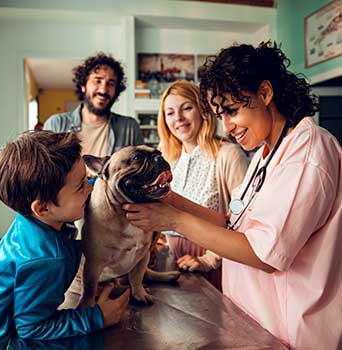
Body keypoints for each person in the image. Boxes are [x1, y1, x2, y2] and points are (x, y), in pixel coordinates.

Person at [122, 41, 342, 349]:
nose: (227, 126)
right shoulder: (265, 154)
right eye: (220, 114)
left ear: (265, 93)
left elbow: (263, 254)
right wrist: (169, 199)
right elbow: (231, 222)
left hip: (292, 332)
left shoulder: (307, 153)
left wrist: (173, 218)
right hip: (256, 323)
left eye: (232, 111)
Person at [0, 131, 130, 349]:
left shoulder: (32, 219)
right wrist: (98, 317)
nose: (91, 187)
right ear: (43, 208)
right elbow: (31, 328)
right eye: (81, 186)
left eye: (87, 179)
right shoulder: (46, 260)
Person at [157, 80, 248, 291]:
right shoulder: (167, 158)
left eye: (186, 108)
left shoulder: (228, 154)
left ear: (202, 110)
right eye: (169, 113)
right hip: (173, 262)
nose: (178, 118)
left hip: (215, 263)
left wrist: (209, 260)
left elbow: (242, 215)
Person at [44, 53, 144, 157]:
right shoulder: (56, 125)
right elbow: (45, 170)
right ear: (83, 85)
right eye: (98, 81)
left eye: (110, 83)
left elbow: (143, 170)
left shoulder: (129, 128)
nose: (103, 90)